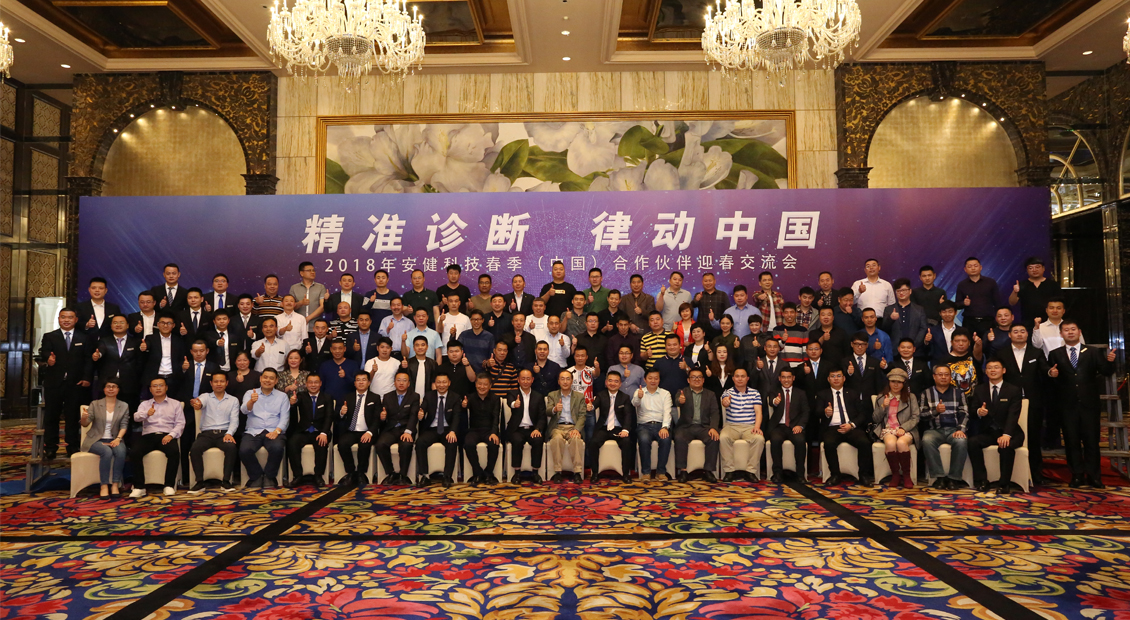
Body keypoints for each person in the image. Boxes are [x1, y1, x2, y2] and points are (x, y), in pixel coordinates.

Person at [1048, 320, 1117, 488]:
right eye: (1066, 330)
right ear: (1061, 334)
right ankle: (1077, 475)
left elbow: (1106, 372)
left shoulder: (1092, 352)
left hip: (1089, 404)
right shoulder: (1055, 354)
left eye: (1073, 329)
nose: (1070, 332)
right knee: (1071, 441)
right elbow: (1052, 382)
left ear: (1079, 332)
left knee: (1091, 441)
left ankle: (1094, 476)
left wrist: (1110, 361)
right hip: (1067, 405)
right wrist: (1051, 374)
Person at [992, 323, 1049, 483]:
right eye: (1015, 331)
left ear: (1027, 334)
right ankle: (1011, 474)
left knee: (1034, 437)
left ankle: (1036, 474)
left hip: (1033, 401)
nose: (1019, 334)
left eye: (1022, 331)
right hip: (1009, 402)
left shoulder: (1036, 352)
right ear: (1009, 335)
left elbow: (1044, 370)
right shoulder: (1002, 353)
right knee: (1010, 434)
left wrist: (1051, 372)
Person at [38, 307, 94, 459]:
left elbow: (88, 360)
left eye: (70, 317)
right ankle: (51, 447)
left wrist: (87, 378)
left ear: (76, 320)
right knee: (51, 416)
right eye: (63, 317)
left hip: (76, 383)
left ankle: (72, 445)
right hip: (54, 382)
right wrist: (48, 359)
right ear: (59, 319)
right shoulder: (50, 336)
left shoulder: (84, 337)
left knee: (72, 416)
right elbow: (44, 352)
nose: (66, 320)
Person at [967, 360, 1024, 494]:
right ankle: (982, 481)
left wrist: (1007, 434)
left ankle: (1004, 484)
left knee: (1005, 446)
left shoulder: (1013, 390)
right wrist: (979, 412)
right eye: (990, 368)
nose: (993, 370)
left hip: (1011, 432)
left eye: (996, 367)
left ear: (1003, 370)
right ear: (985, 372)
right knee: (972, 442)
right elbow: (972, 410)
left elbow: (1013, 415)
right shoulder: (979, 389)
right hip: (989, 432)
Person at [128, 377, 184, 497]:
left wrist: (171, 435)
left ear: (166, 387)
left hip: (167, 435)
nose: (158, 388)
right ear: (150, 389)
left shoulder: (175, 404)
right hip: (149, 435)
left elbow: (180, 423)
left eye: (161, 385)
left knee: (174, 452)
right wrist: (146, 413)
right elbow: (136, 417)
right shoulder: (145, 404)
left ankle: (169, 485)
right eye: (155, 386)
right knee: (134, 452)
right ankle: (139, 487)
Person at [818, 369, 873, 486]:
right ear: (828, 379)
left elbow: (862, 414)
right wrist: (825, 413)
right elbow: (816, 412)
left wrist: (851, 425)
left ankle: (863, 475)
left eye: (839, 376)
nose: (836, 379)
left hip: (851, 426)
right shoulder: (823, 394)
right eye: (833, 376)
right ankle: (835, 475)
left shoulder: (853, 393)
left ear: (844, 378)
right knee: (829, 443)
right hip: (832, 427)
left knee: (865, 443)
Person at [187, 371, 240, 492]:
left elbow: (234, 420)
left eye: (222, 381)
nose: (219, 384)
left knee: (231, 448)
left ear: (227, 383)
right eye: (216, 381)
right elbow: (199, 403)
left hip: (224, 433)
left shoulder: (233, 400)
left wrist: (229, 433)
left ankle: (226, 481)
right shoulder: (205, 396)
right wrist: (197, 404)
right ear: (211, 383)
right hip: (206, 434)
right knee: (195, 449)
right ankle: (199, 482)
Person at [920, 365, 970, 490]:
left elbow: (964, 413)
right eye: (940, 374)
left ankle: (954, 478)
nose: (943, 377)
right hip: (934, 430)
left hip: (954, 429)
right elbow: (921, 415)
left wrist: (960, 429)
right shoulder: (926, 393)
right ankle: (939, 477)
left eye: (946, 374)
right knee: (927, 440)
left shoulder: (959, 393)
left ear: (951, 377)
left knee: (961, 441)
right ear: (934, 376)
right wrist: (935, 411)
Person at [178, 340, 221, 484]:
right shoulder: (184, 365)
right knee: (186, 443)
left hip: (208, 411)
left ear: (207, 351)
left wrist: (203, 401)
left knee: (204, 444)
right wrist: (183, 370)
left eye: (201, 350)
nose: (198, 353)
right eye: (195, 351)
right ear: (191, 352)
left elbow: (217, 388)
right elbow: (176, 385)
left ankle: (208, 476)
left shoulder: (214, 367)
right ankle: (186, 477)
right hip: (187, 410)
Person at [239, 368, 289, 489]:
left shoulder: (282, 396)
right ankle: (256, 476)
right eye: (265, 377)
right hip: (253, 431)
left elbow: (285, 418)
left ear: (276, 381)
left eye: (271, 378)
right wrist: (251, 401)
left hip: (274, 430)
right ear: (260, 378)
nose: (268, 380)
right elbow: (244, 410)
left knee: (277, 448)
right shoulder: (250, 393)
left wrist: (277, 431)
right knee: (244, 450)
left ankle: (269, 476)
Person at [80, 378, 130, 497]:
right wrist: (84, 418)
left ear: (118, 389)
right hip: (96, 440)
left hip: (115, 438)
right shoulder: (95, 404)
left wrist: (118, 438)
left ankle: (115, 484)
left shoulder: (124, 405)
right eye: (108, 386)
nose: (111, 389)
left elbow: (124, 425)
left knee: (121, 451)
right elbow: (85, 424)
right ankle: (104, 485)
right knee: (106, 452)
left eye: (114, 386)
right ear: (104, 389)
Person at [872, 368, 919, 489]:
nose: (896, 385)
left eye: (899, 382)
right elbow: (875, 419)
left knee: (901, 443)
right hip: (888, 428)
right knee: (890, 443)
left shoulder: (911, 397)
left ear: (904, 383)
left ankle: (906, 476)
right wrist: (883, 406)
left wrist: (903, 428)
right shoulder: (881, 397)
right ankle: (896, 475)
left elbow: (915, 417)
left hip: (906, 429)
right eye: (893, 381)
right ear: (889, 382)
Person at [672, 369, 720, 483]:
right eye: (693, 377)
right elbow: (677, 401)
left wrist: (713, 428)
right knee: (679, 437)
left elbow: (715, 413)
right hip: (686, 427)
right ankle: (683, 471)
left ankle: (708, 471)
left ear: (703, 380)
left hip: (704, 427)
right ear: (688, 380)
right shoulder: (682, 392)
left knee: (713, 438)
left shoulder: (710, 394)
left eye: (699, 377)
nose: (696, 379)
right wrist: (680, 401)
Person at [285, 373, 333, 486]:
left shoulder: (327, 397)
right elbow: (294, 407)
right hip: (303, 431)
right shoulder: (301, 396)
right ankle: (298, 476)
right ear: (306, 384)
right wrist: (292, 403)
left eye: (316, 382)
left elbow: (329, 417)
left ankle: (318, 476)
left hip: (320, 431)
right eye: (310, 382)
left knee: (321, 444)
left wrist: (324, 433)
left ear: (320, 384)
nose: (313, 385)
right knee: (292, 443)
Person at [415, 373, 460, 488]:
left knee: (452, 442)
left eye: (444, 382)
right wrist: (420, 414)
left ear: (449, 383)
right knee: (420, 442)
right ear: (435, 384)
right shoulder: (429, 396)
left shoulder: (455, 397)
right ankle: (425, 476)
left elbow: (456, 416)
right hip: (432, 429)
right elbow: (422, 408)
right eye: (438, 382)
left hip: (447, 429)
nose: (441, 385)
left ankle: (447, 476)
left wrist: (453, 431)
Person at [721, 367, 766, 482]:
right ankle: (729, 471)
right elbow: (725, 402)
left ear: (747, 378)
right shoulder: (727, 392)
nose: (740, 379)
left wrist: (757, 427)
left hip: (749, 426)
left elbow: (758, 412)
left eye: (742, 376)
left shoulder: (755, 393)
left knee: (759, 439)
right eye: (737, 376)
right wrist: (726, 402)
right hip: (731, 426)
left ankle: (751, 471)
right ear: (733, 378)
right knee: (723, 437)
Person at [335, 370, 380, 485]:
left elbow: (376, 419)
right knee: (342, 444)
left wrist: (370, 432)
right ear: (354, 383)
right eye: (358, 380)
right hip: (351, 431)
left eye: (364, 380)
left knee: (364, 445)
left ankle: (361, 473)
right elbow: (337, 417)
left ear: (369, 383)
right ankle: (351, 472)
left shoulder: (375, 398)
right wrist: (341, 413)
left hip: (367, 431)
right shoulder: (347, 397)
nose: (361, 382)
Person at [375, 370, 420, 485]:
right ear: (394, 382)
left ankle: (403, 475)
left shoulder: (414, 396)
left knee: (406, 445)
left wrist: (408, 432)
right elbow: (383, 416)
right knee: (380, 444)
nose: (401, 383)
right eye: (398, 380)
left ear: (408, 383)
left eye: (404, 381)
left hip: (406, 429)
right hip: (391, 429)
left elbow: (413, 415)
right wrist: (383, 417)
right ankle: (391, 473)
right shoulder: (387, 396)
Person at [588, 370, 634, 482]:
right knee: (593, 442)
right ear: (606, 382)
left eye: (616, 381)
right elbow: (594, 405)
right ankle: (595, 473)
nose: (613, 383)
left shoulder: (625, 397)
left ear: (620, 384)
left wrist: (625, 430)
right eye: (610, 381)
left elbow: (628, 415)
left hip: (619, 429)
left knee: (627, 442)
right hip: (603, 428)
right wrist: (591, 406)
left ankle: (626, 474)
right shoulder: (601, 395)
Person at [504, 369, 547, 483]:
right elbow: (510, 402)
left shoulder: (538, 396)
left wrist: (538, 429)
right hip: (517, 429)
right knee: (517, 440)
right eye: (523, 378)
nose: (525, 381)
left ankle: (535, 472)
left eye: (528, 379)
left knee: (538, 440)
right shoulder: (513, 393)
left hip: (532, 429)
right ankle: (517, 473)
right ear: (518, 380)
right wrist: (514, 404)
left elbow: (542, 417)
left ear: (532, 380)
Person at [93, 315, 143, 413]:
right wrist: (98, 355)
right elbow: (101, 350)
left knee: (129, 413)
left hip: (129, 385)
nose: (118, 325)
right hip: (108, 384)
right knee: (105, 414)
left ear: (127, 325)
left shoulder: (136, 342)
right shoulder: (104, 341)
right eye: (115, 322)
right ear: (111, 325)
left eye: (121, 322)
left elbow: (140, 362)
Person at [766, 367, 807, 483]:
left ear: (793, 378)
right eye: (783, 377)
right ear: (779, 378)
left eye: (789, 377)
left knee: (800, 441)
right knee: (775, 440)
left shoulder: (801, 393)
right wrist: (775, 402)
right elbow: (771, 402)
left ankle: (800, 474)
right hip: (778, 427)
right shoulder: (775, 391)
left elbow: (806, 412)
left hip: (795, 426)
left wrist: (800, 426)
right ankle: (777, 474)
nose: (786, 380)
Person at [547, 369, 588, 483]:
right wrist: (555, 409)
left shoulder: (579, 396)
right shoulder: (552, 395)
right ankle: (557, 472)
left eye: (568, 379)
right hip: (557, 427)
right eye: (562, 379)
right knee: (557, 440)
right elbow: (548, 411)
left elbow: (582, 415)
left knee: (576, 439)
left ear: (572, 381)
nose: (565, 382)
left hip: (573, 427)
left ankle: (577, 472)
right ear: (558, 381)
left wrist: (577, 429)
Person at [632, 369, 674, 480]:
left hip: (661, 425)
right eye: (650, 378)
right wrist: (638, 397)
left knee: (665, 439)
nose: (653, 381)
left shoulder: (665, 393)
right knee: (644, 439)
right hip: (644, 425)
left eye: (656, 378)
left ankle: (661, 472)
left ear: (659, 380)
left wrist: (665, 427)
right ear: (645, 379)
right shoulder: (639, 391)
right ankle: (646, 472)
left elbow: (667, 412)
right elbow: (634, 404)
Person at [463, 373, 502, 485]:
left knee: (493, 443)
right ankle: (478, 472)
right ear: (476, 384)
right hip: (474, 430)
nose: (482, 387)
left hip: (489, 430)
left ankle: (489, 473)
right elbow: (463, 415)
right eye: (479, 384)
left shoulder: (495, 398)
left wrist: (494, 432)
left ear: (490, 386)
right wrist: (464, 406)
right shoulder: (470, 398)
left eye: (485, 384)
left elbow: (496, 417)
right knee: (468, 443)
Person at [140, 313, 187, 398]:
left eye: (169, 323)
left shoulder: (178, 340)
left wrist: (183, 367)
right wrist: (143, 348)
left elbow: (181, 359)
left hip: (173, 378)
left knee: (172, 403)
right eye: (163, 323)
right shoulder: (150, 338)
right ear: (158, 324)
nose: (165, 326)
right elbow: (146, 349)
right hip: (155, 377)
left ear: (173, 325)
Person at [954, 257, 1001, 339]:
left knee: (989, 344)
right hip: (969, 322)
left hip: (988, 321)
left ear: (981, 267)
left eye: (975, 266)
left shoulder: (990, 282)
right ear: (965, 269)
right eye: (970, 266)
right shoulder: (962, 285)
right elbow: (957, 305)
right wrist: (963, 303)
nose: (973, 268)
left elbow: (998, 302)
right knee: (969, 345)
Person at [1009, 256, 1060, 327]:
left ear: (1043, 268)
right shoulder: (1022, 284)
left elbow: (1060, 303)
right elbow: (1012, 302)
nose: (1034, 270)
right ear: (1027, 270)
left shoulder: (1053, 284)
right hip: (1028, 322)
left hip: (1050, 321)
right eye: (1030, 268)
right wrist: (1015, 292)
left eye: (1037, 267)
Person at [882, 279, 927, 352]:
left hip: (915, 350)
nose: (901, 293)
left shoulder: (919, 309)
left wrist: (914, 345)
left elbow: (923, 328)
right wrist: (891, 319)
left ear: (910, 291)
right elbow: (884, 329)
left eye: (904, 290)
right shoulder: (889, 309)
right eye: (898, 291)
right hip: (895, 350)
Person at [844, 332, 886, 406]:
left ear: (867, 345)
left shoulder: (874, 362)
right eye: (857, 344)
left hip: (870, 401)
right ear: (852, 344)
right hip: (850, 400)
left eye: (863, 344)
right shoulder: (845, 361)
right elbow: (841, 382)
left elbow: (878, 383)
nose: (860, 347)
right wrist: (849, 373)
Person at [939, 329, 983, 399]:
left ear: (969, 343)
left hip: (975, 399)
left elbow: (978, 352)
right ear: (951, 342)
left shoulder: (973, 356)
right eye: (957, 341)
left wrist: (978, 344)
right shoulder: (943, 361)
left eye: (964, 341)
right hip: (953, 399)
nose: (961, 344)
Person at [290, 261, 327, 331]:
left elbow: (322, 306)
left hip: (315, 327)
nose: (312, 272)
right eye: (309, 270)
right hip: (298, 327)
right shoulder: (294, 288)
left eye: (313, 270)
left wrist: (307, 319)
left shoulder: (321, 287)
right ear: (301, 273)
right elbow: (290, 307)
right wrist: (301, 303)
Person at [404, 336, 438, 400]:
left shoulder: (433, 363)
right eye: (417, 345)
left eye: (423, 345)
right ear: (413, 348)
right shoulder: (407, 363)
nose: (420, 347)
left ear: (427, 347)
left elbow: (434, 382)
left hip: (428, 398)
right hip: (410, 399)